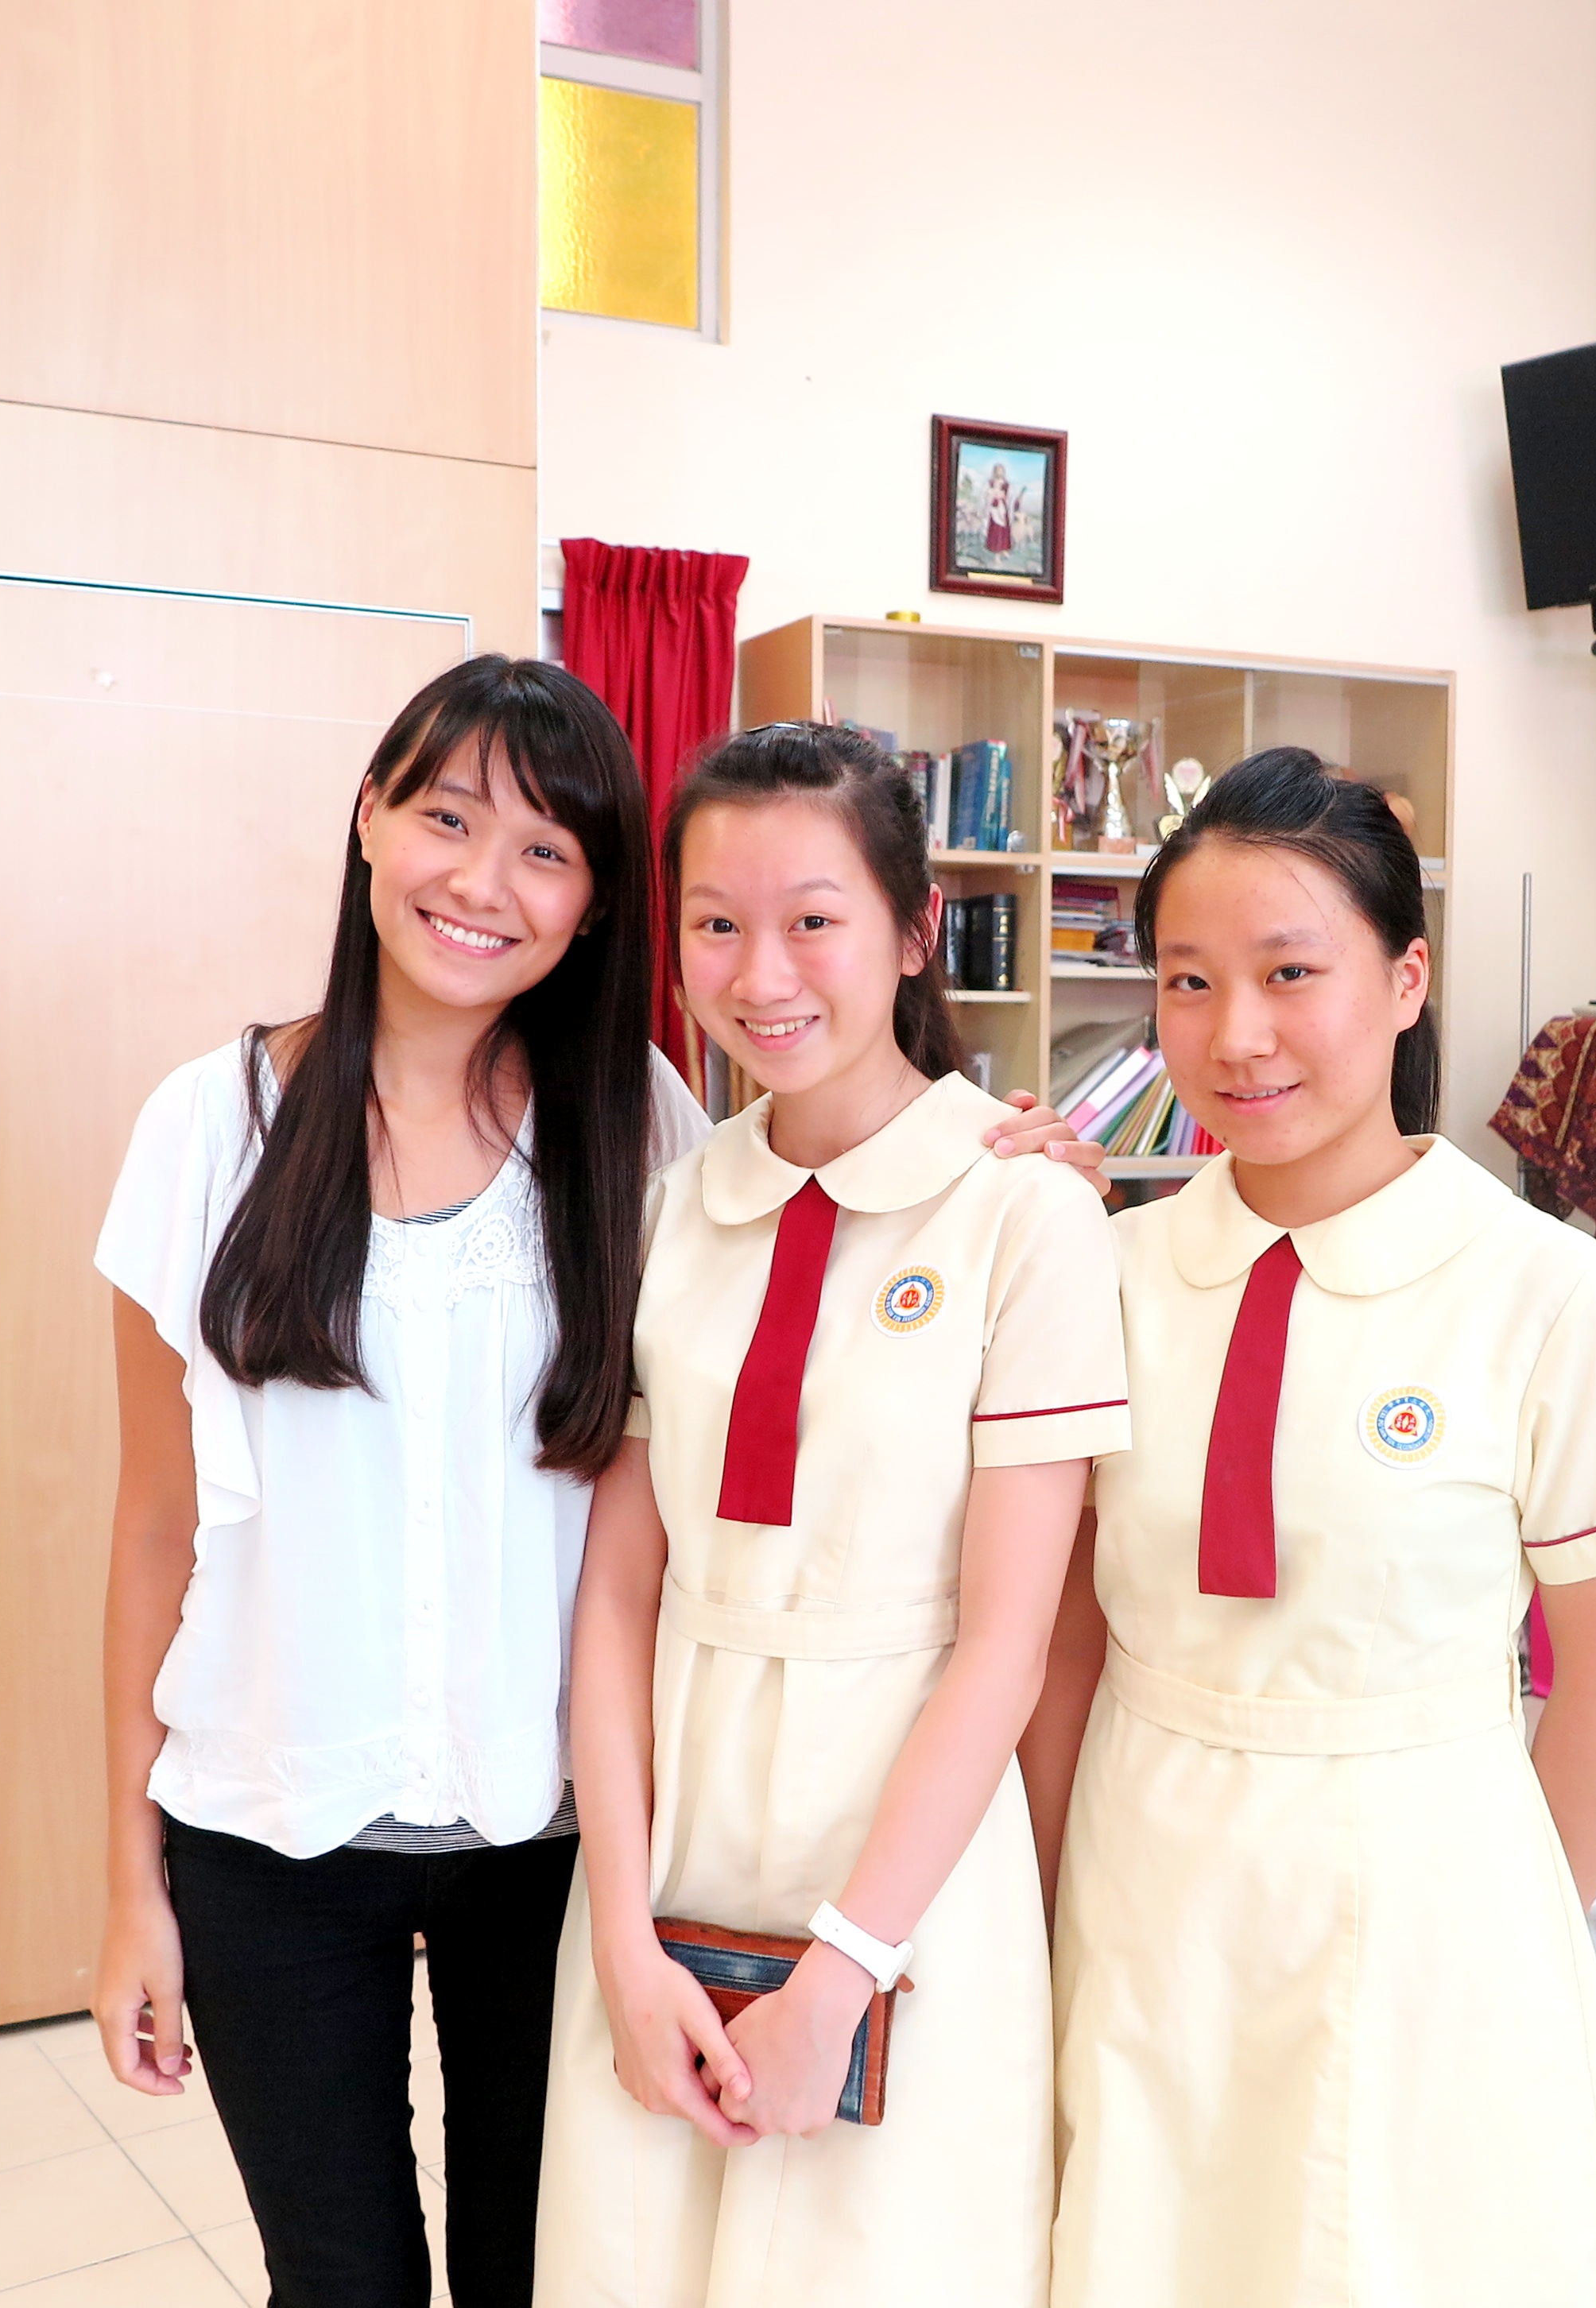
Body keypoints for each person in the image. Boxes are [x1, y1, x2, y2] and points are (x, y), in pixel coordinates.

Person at [91, 667, 1103, 2308]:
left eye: (546, 851)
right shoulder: (212, 1126)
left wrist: (1016, 1167)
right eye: (445, 819)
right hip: (270, 1824)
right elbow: (156, 1531)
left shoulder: (639, 1132)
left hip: (552, 1835)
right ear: (368, 822)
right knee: (335, 2279)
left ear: (591, 906)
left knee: (545, 2271)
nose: (483, 883)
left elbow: (813, 1259)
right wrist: (126, 1882)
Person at [1025, 749, 1596, 2308]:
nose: (1237, 1034)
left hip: (1431, 1888)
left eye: (1291, 973)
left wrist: (1521, 1950)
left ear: (1407, 980)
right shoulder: (1108, 1276)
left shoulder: (1541, 1289)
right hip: (1148, 1875)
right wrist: (1049, 1899)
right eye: (1190, 981)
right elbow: (1065, 1641)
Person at [533, 722, 1127, 2308]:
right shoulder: (671, 1208)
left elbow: (1007, 1646)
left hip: (907, 1858)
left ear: (916, 931)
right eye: (716, 925)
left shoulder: (1023, 1214)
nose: (761, 974)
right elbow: (617, 1598)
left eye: (813, 920)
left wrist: (847, 1969)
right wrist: (619, 1941)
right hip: (674, 1830)